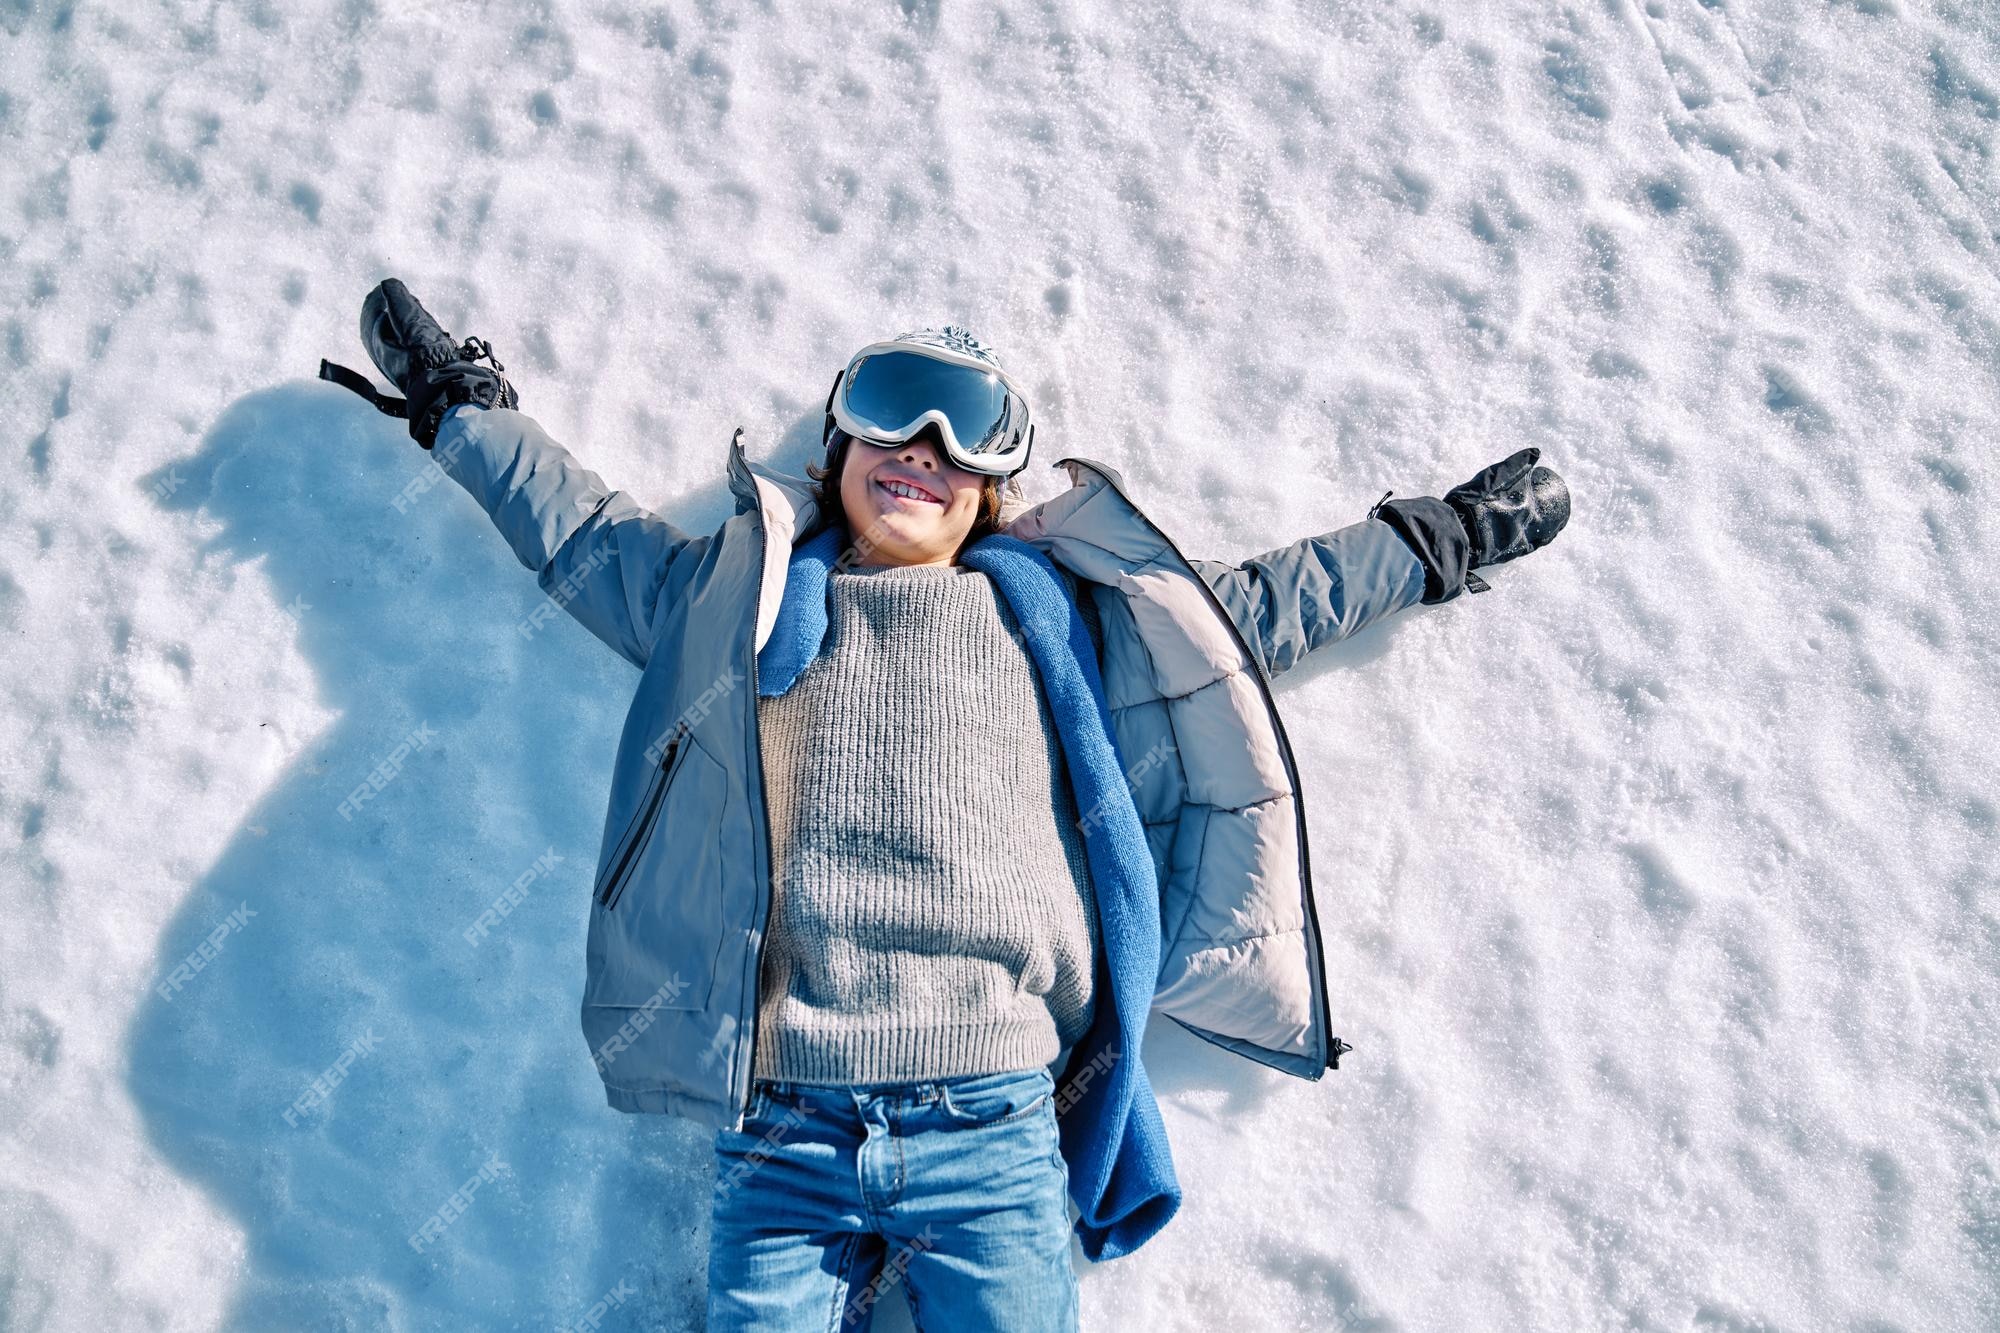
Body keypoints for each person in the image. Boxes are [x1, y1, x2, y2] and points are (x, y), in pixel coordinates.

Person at [320, 280, 1570, 1331]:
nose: (920, 446)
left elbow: (1261, 608)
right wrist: (462, 413)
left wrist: (1438, 537)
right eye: (888, 419)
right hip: (783, 1128)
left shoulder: (1065, 623)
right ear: (833, 455)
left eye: (960, 438)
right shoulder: (729, 603)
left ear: (988, 497)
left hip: (991, 1123)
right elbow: (583, 536)